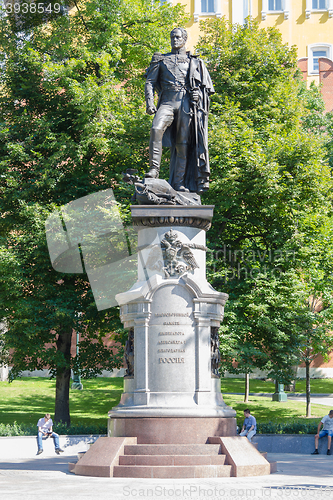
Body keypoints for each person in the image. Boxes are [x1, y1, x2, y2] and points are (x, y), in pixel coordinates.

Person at [144, 27, 214, 194]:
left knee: (183, 145)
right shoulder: (160, 60)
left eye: (177, 37)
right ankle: (153, 170)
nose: (174, 40)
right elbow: (149, 82)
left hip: (185, 104)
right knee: (156, 129)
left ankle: (179, 183)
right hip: (167, 102)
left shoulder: (194, 61)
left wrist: (198, 93)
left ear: (184, 39)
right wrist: (149, 103)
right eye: (172, 37)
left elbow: (205, 89)